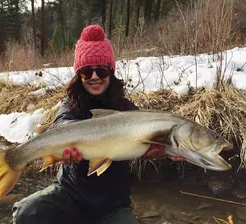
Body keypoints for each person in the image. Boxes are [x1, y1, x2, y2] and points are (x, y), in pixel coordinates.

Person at [12, 24, 182, 224]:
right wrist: (65, 147)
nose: (94, 77)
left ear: (111, 71)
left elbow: (149, 142)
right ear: (78, 75)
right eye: (86, 71)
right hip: (70, 194)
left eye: (101, 70)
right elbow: (62, 125)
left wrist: (165, 152)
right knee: (27, 212)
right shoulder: (69, 105)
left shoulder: (128, 111)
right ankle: (12, 161)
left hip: (112, 205)